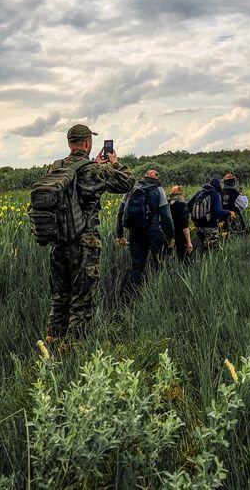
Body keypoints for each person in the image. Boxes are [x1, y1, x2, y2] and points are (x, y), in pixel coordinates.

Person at [45, 124, 134, 342]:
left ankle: (52, 346)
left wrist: (93, 164)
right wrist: (115, 163)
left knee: (60, 300)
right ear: (87, 143)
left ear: (69, 143)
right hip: (84, 244)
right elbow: (128, 182)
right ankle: (73, 354)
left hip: (57, 243)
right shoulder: (93, 171)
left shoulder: (53, 169)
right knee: (81, 303)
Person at [117, 169, 174, 290]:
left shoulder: (131, 188)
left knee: (137, 266)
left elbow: (121, 212)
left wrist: (120, 234)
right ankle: (159, 292)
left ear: (145, 176)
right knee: (160, 263)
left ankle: (133, 295)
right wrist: (170, 237)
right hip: (154, 232)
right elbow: (166, 216)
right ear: (157, 178)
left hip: (135, 232)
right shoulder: (159, 189)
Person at [187, 176, 232, 255]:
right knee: (212, 252)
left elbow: (188, 206)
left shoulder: (199, 193)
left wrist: (197, 216)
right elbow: (218, 212)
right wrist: (229, 213)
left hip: (198, 226)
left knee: (200, 250)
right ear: (217, 186)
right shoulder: (215, 194)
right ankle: (209, 266)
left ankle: (199, 265)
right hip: (211, 227)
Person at [168, 185, 193, 260]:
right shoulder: (182, 205)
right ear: (181, 193)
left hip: (169, 234)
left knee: (170, 258)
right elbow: (185, 225)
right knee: (183, 259)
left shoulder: (167, 204)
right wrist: (189, 241)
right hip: (180, 235)